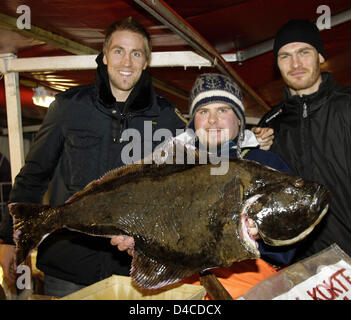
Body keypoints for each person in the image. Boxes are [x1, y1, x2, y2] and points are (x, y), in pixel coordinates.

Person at [0, 17, 187, 298]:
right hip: (68, 267)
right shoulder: (68, 108)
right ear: (105, 56)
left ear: (146, 61)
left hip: (132, 273)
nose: (127, 62)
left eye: (136, 53)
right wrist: (8, 238)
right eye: (119, 51)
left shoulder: (167, 118)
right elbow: (33, 176)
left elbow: (179, 192)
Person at [112, 73, 297, 299]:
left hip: (252, 289)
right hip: (185, 291)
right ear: (193, 122)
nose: (212, 120)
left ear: (239, 119)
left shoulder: (266, 165)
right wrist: (143, 243)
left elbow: (288, 245)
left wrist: (260, 237)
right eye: (203, 111)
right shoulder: (170, 167)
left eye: (222, 110)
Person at [256, 19, 351, 262]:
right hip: (302, 269)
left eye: (304, 52)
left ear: (319, 56)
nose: (295, 64)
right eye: (285, 56)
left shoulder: (347, 105)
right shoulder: (270, 124)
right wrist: (253, 152)